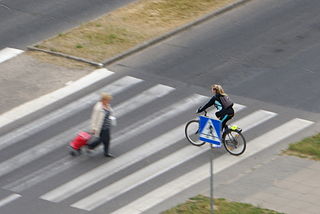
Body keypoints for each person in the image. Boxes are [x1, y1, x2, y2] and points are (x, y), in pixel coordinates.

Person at [88, 92, 114, 157]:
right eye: (108, 100)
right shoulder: (98, 108)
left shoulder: (107, 105)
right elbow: (94, 118)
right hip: (101, 127)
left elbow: (109, 113)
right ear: (103, 100)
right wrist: (93, 128)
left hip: (107, 125)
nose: (109, 101)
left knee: (107, 139)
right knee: (102, 139)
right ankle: (91, 146)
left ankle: (106, 152)